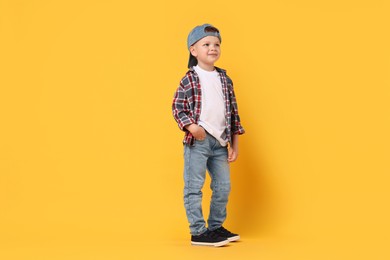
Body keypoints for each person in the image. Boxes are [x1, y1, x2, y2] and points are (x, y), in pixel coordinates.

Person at [172, 24, 245, 247]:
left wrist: (234, 144)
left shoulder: (225, 79)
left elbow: (233, 113)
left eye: (216, 44)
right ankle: (198, 231)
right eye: (206, 44)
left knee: (223, 186)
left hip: (221, 142)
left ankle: (215, 227)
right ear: (193, 50)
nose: (212, 48)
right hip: (198, 141)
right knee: (194, 186)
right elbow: (177, 107)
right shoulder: (190, 78)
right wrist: (192, 127)